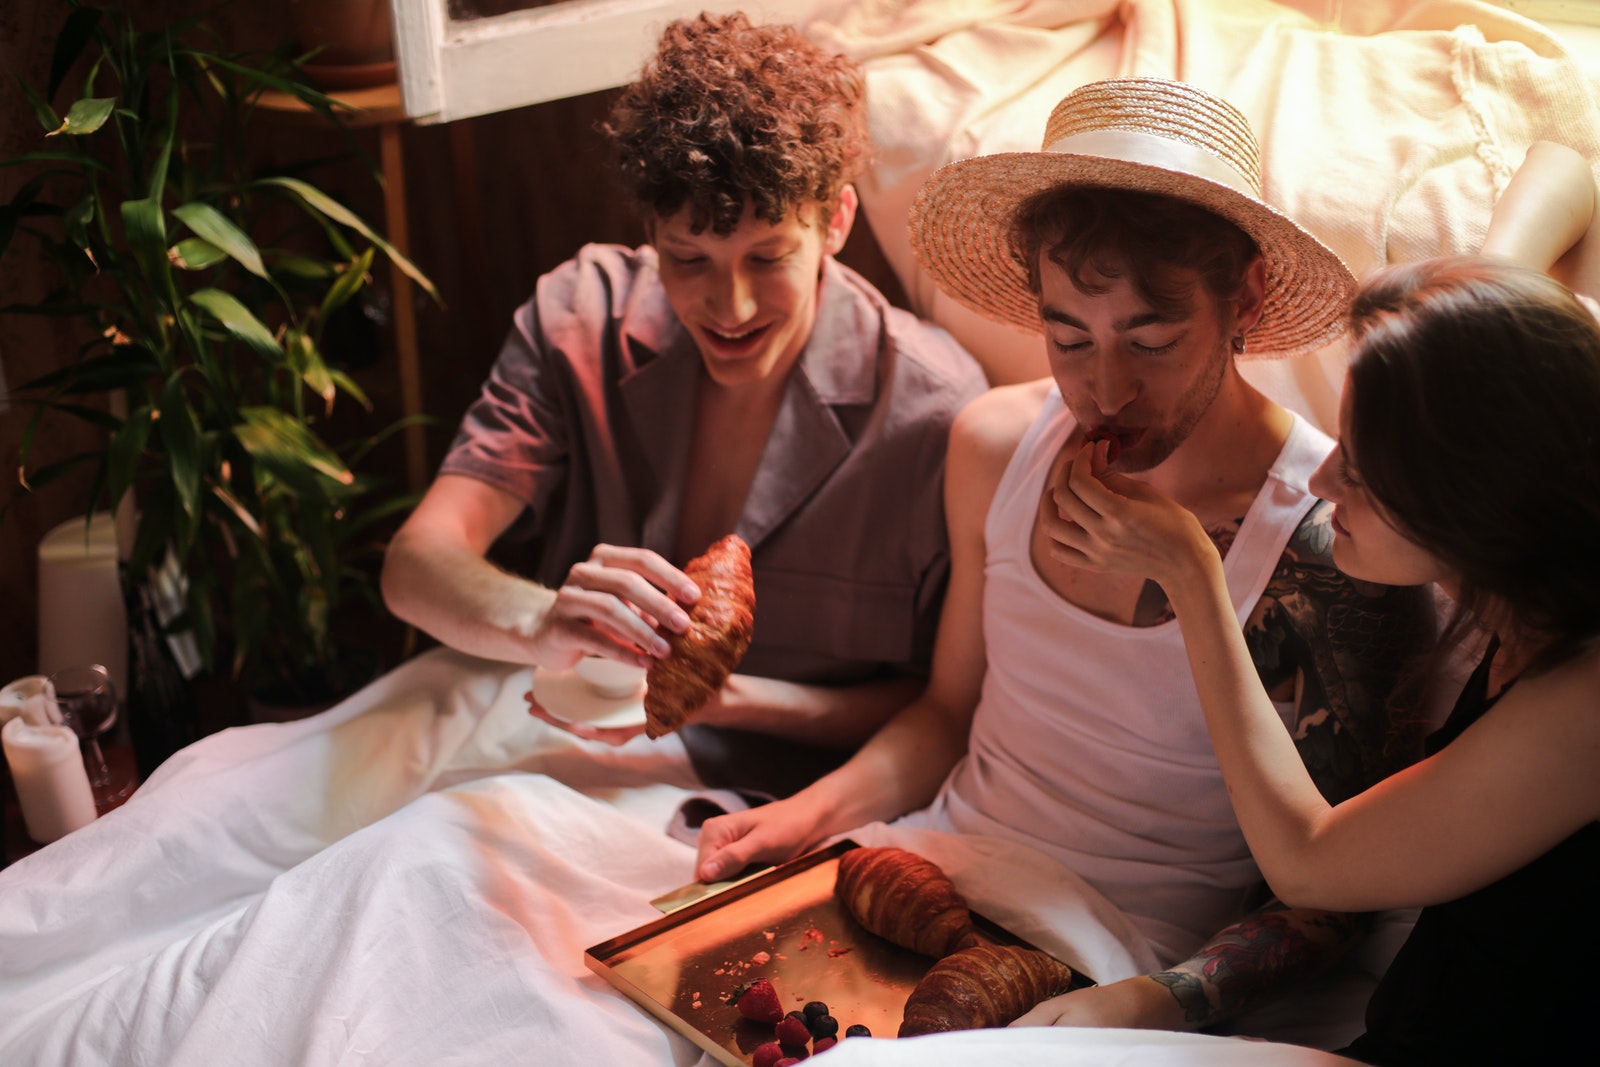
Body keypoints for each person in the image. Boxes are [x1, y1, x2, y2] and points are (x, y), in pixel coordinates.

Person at [694, 77, 1436, 1037]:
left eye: (1153, 339)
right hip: (923, 874)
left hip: (1113, 961)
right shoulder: (997, 446)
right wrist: (805, 814)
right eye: (1067, 336)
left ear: (1246, 295)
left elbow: (1337, 891)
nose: (1107, 388)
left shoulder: (1326, 540)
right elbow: (947, 714)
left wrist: (1147, 1000)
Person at [1045, 164, 1600, 1059]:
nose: (1321, 478)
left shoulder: (1584, 703)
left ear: (1473, 494)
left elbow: (1309, 861)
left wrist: (1193, 573)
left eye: (1366, 469)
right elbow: (1562, 171)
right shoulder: (1505, 422)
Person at [380, 13, 987, 794]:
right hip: (552, 735)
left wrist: (723, 703)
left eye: (767, 257)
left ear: (835, 220)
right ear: (649, 230)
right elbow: (415, 564)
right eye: (689, 258)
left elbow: (948, 706)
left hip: (769, 792)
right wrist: (540, 619)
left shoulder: (936, 415)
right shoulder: (580, 318)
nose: (728, 306)